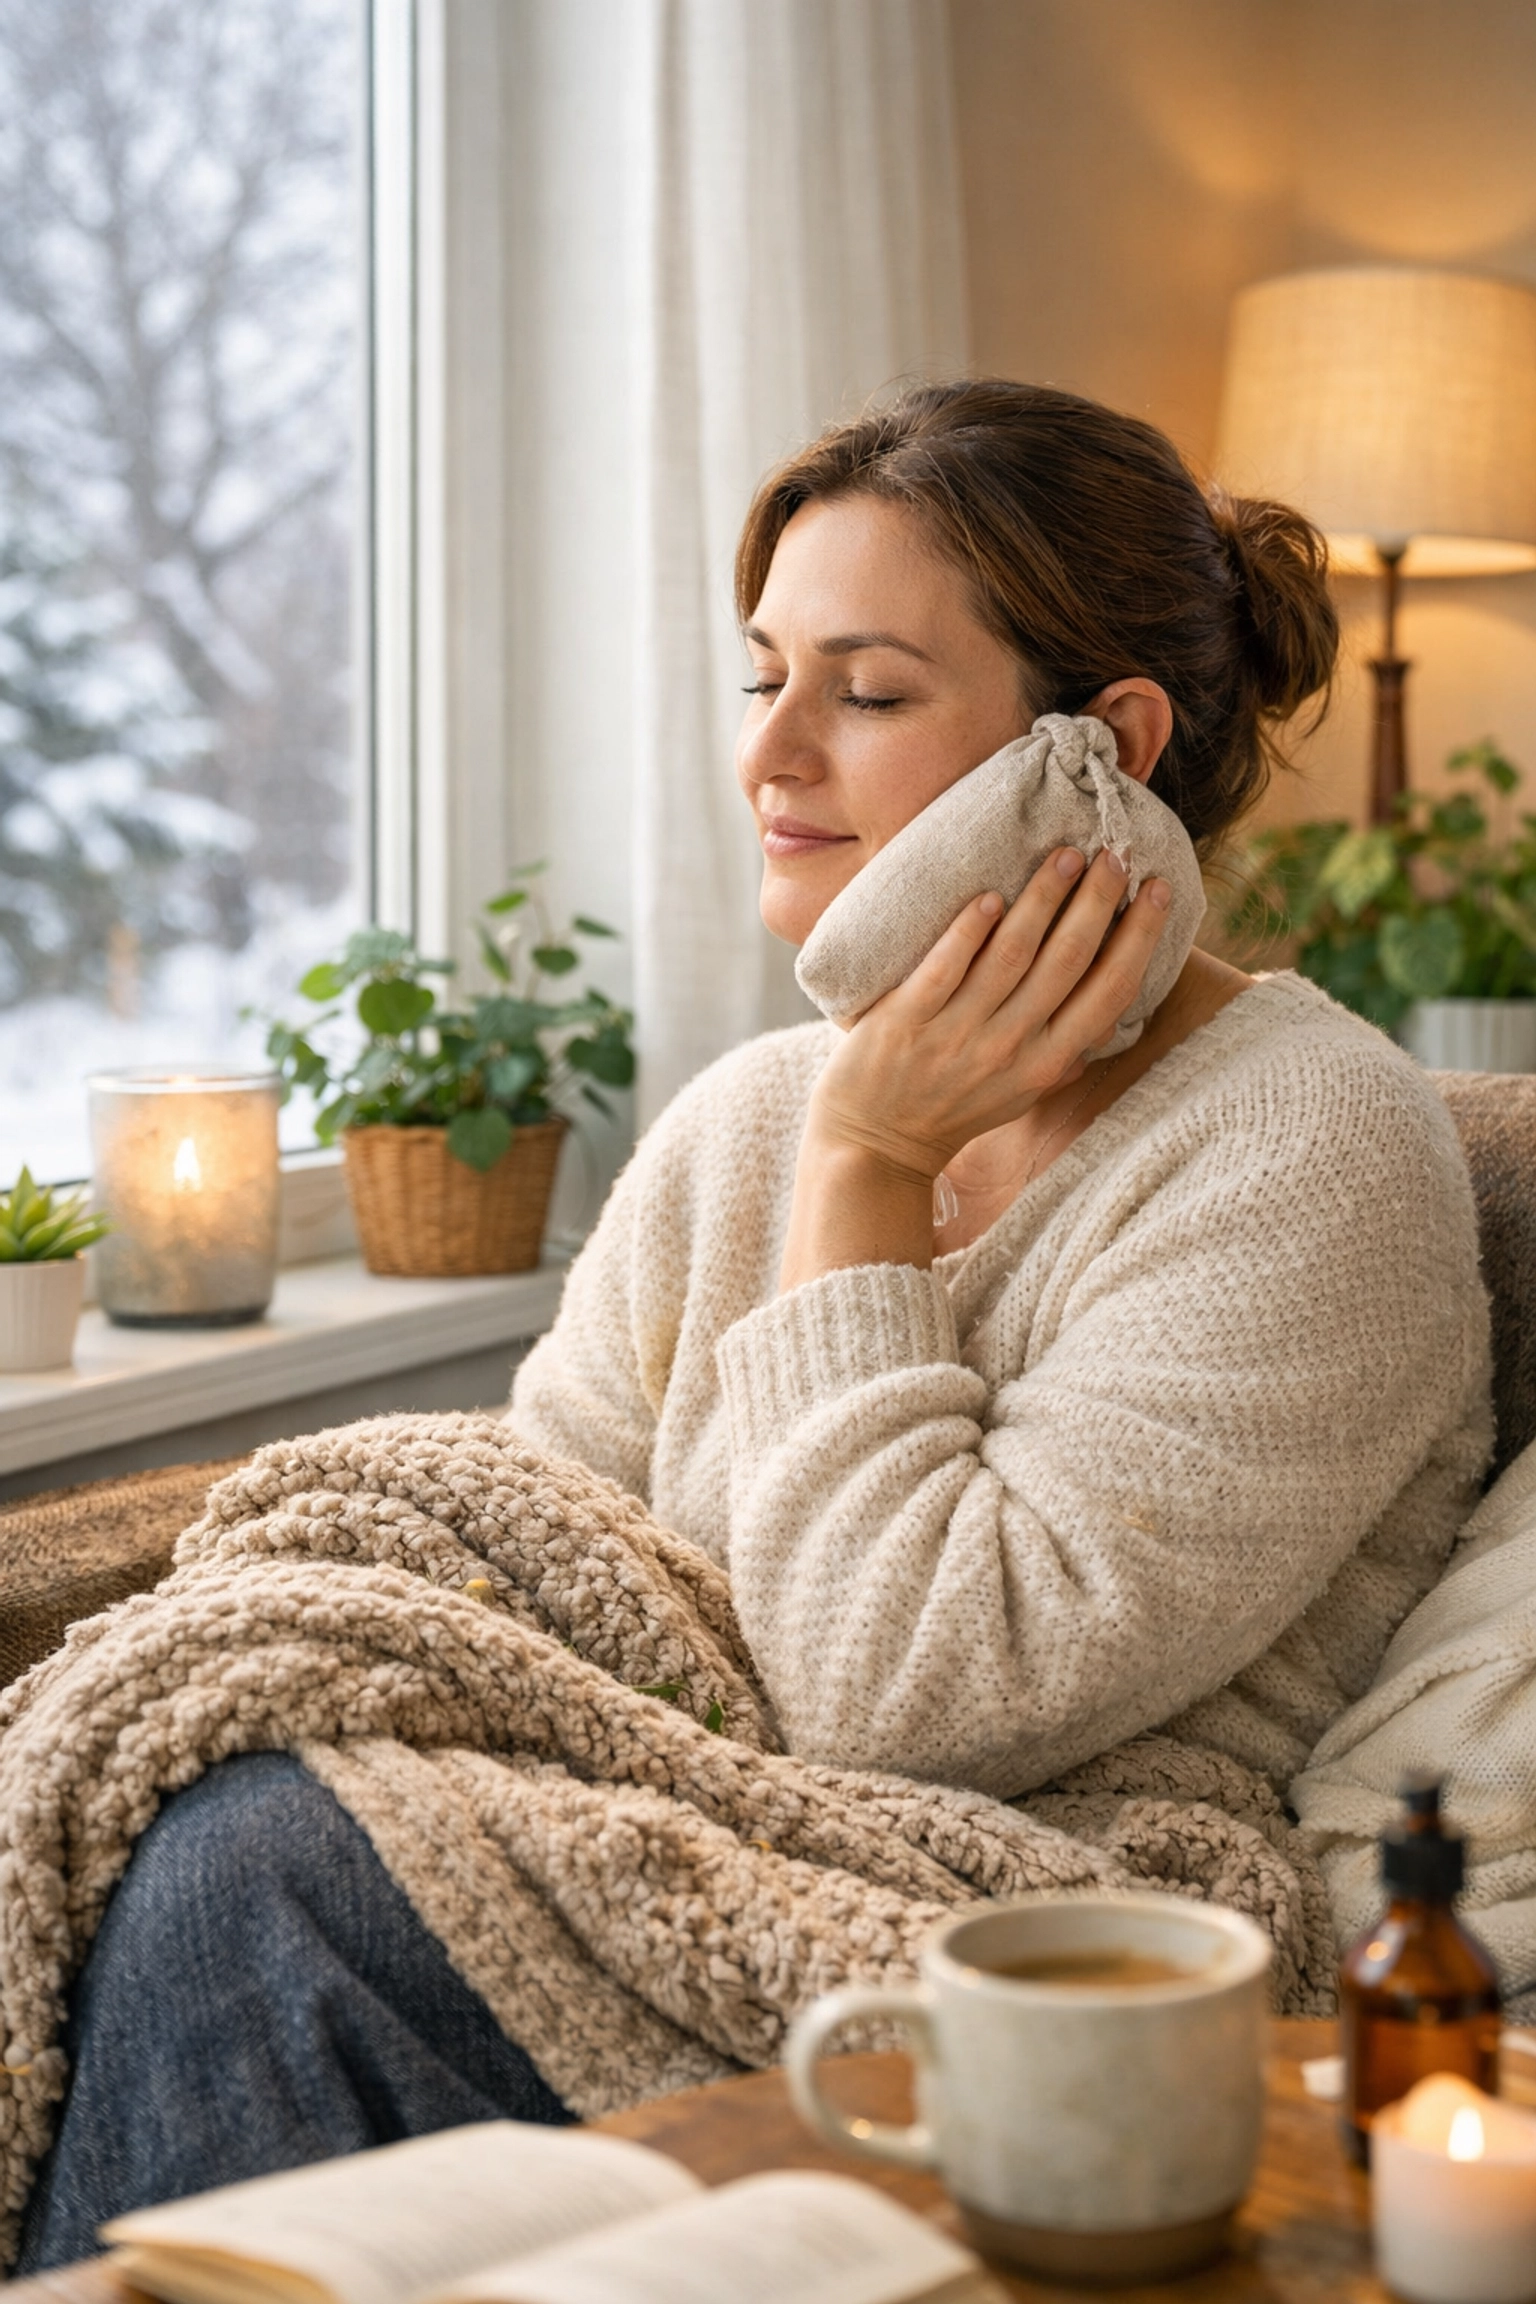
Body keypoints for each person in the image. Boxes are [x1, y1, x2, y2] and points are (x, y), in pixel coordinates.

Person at [15, 381, 1490, 2267]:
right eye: (759, 677)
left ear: (1106, 745)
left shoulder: (1312, 1146)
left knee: (255, 1872)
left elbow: (916, 1698)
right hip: (675, 1821)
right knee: (183, 1783)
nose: (770, 754)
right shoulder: (743, 1123)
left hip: (1050, 1917)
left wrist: (871, 1167)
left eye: (866, 693)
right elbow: (544, 1550)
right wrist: (833, 1139)